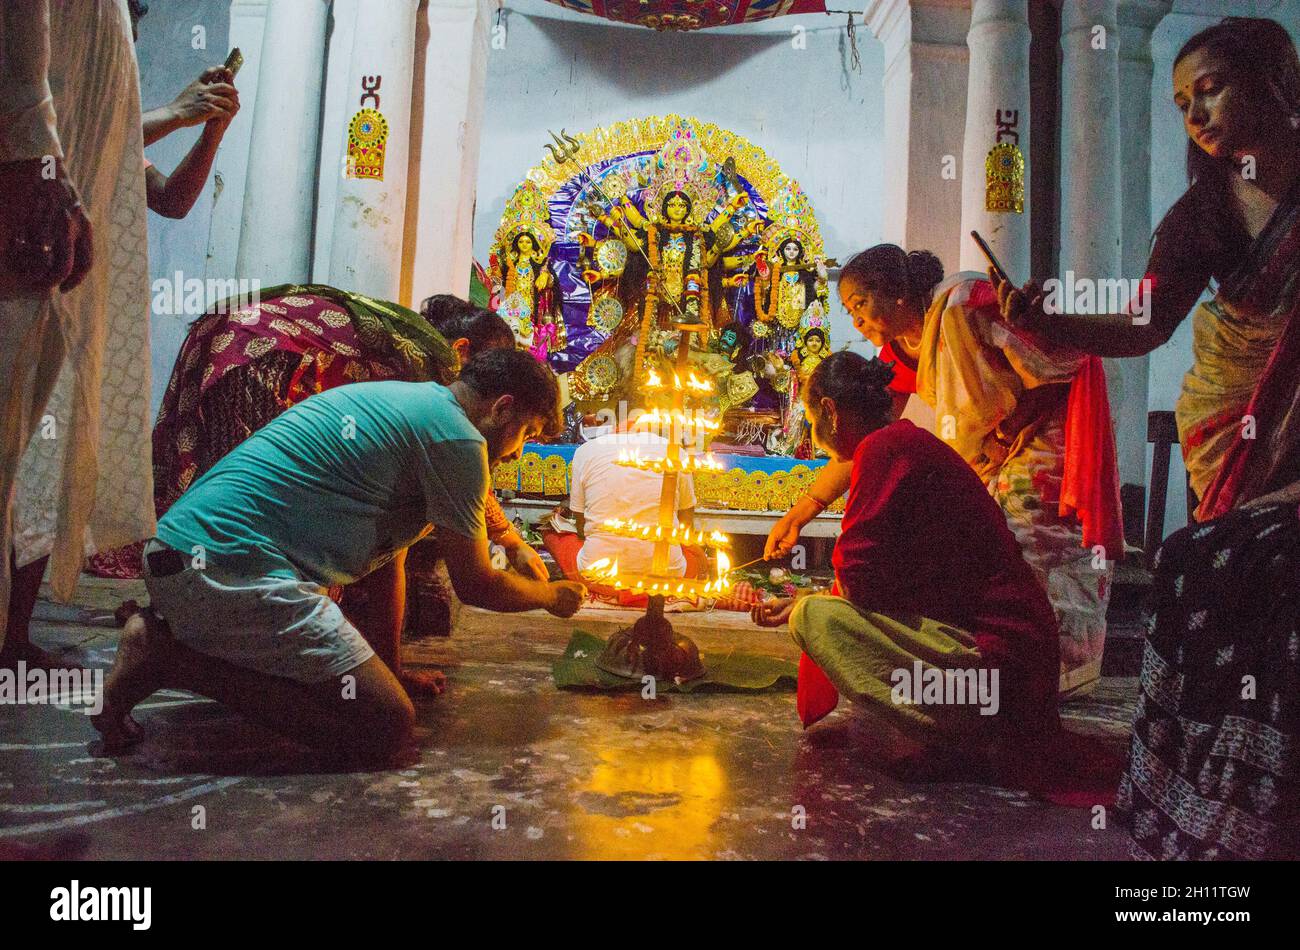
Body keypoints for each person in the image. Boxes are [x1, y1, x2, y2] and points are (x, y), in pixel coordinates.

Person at [93, 348, 587, 766]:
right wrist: (550, 596)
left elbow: (387, 563)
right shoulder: (456, 438)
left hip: (188, 557)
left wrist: (389, 668)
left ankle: (175, 640)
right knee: (385, 730)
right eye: (528, 430)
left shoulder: (419, 406)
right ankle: (166, 657)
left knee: (375, 697)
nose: (521, 451)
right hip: (225, 568)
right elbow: (476, 583)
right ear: (502, 408)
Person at [768, 245, 1122, 697]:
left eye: (859, 304)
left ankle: (1055, 675)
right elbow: (856, 445)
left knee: (1038, 544)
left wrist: (1005, 432)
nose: (855, 322)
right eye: (848, 311)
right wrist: (802, 512)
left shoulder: (961, 303)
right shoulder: (900, 355)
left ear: (896, 294)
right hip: (987, 457)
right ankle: (1017, 673)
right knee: (998, 551)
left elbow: (1054, 367)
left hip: (1042, 437)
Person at [993, 16, 1300, 522]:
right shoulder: (1202, 214)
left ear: (1274, 81)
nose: (1196, 117)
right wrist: (1048, 321)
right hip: (1232, 430)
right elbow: (1146, 324)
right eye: (1183, 106)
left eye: (1211, 90)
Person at [751, 352, 1060, 754]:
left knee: (818, 618)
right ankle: (958, 721)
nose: (813, 431)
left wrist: (803, 604)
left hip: (1000, 659)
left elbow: (859, 575)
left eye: (812, 420)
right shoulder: (901, 442)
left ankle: (960, 729)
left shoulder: (887, 449)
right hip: (1018, 660)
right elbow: (888, 576)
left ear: (831, 411)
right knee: (821, 609)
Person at [1, 0, 154, 671]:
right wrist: (39, 168)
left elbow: (169, 193)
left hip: (56, 230)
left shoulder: (103, 90)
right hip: (37, 216)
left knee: (29, 460)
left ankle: (10, 641)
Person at [540, 425, 704, 606]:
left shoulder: (585, 451)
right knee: (694, 553)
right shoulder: (675, 452)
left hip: (599, 579)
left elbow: (581, 529)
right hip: (667, 579)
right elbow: (686, 527)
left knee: (551, 531)